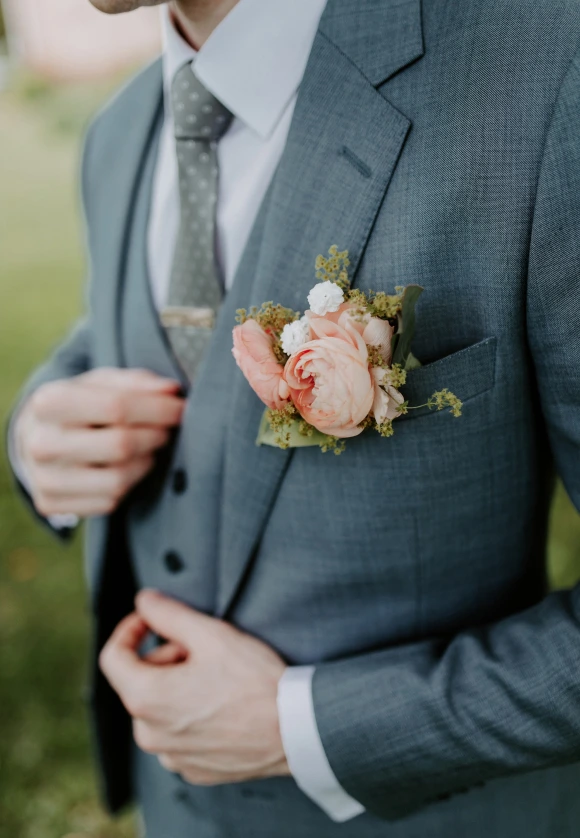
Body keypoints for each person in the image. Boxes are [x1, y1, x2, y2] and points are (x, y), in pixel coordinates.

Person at [8, 0, 580, 835]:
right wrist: (37, 431)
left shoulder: (543, 68)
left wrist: (309, 730)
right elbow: (151, 324)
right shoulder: (121, 132)